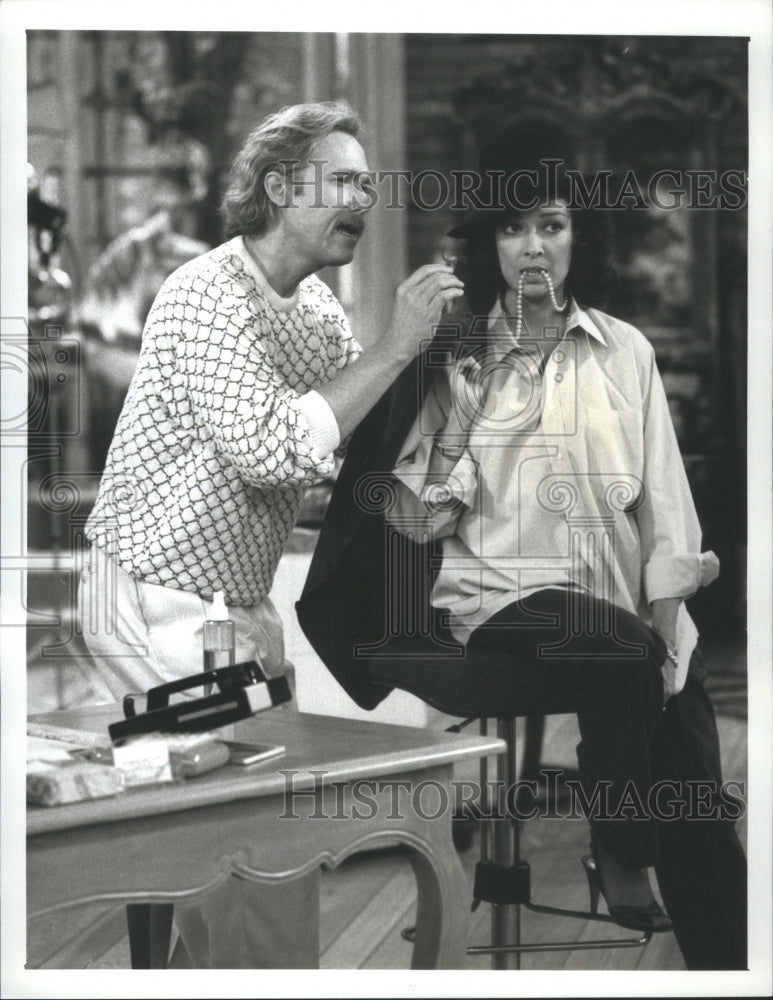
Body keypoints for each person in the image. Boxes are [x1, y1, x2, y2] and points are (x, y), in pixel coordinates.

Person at [297, 128, 747, 970]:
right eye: (511, 229)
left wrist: (671, 632)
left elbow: (665, 511)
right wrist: (459, 420)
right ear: (487, 246)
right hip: (494, 602)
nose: (532, 246)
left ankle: (731, 961)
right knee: (623, 653)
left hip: (614, 614)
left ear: (581, 238)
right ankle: (620, 850)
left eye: (550, 224)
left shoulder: (626, 353)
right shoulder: (454, 358)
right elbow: (415, 527)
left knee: (682, 750)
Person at [77, 101, 463, 968]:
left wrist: (435, 446)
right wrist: (399, 345)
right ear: (281, 188)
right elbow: (271, 448)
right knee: (238, 847)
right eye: (343, 180)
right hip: (144, 596)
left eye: (368, 182)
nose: (362, 198)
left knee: (267, 843)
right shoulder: (203, 294)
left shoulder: (316, 309)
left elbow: (338, 453)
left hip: (228, 606)